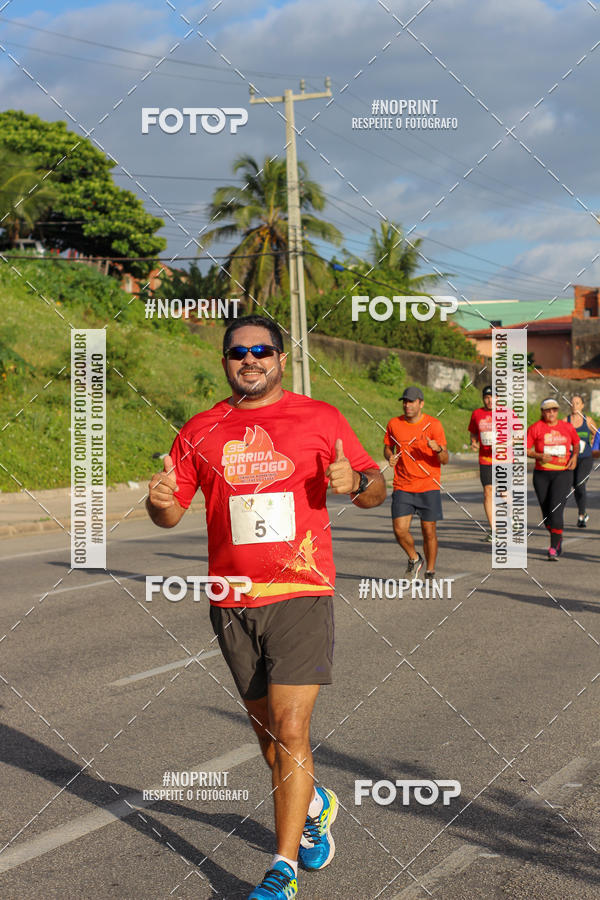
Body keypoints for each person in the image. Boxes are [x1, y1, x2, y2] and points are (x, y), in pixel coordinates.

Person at [146, 314, 386, 900]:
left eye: (261, 350)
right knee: (268, 738)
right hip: (231, 600)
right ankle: (315, 802)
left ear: (281, 357)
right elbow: (171, 512)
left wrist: (352, 479)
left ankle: (281, 871)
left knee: (290, 728)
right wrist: (156, 502)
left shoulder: (319, 418)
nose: (248, 359)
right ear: (224, 362)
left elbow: (378, 488)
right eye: (237, 352)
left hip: (301, 593)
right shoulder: (201, 429)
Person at [383, 385, 448, 580]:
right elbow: (387, 447)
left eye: (411, 401)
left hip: (428, 485)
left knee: (429, 531)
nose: (407, 405)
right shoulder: (394, 424)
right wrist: (389, 456)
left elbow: (445, 459)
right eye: (405, 401)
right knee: (399, 530)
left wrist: (437, 449)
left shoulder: (434, 425)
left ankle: (430, 570)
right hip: (403, 485)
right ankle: (414, 558)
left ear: (421, 403)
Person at [527, 398, 579, 560]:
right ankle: (558, 536)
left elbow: (576, 443)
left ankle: (553, 547)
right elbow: (526, 449)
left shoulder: (567, 427)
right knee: (547, 516)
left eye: (554, 410)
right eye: (548, 410)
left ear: (558, 411)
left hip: (563, 474)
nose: (551, 413)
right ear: (542, 412)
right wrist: (540, 455)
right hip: (542, 474)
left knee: (556, 511)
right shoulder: (536, 428)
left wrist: (575, 456)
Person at [467, 385, 495, 541]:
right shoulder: (477, 414)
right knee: (488, 492)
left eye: (492, 397)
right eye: (486, 397)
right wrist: (473, 442)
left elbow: (518, 434)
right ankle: (494, 529)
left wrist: (507, 443)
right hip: (485, 459)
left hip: (505, 459)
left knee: (505, 494)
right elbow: (473, 432)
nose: (489, 400)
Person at [566, 393, 597, 527]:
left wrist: (592, 442)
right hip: (571, 458)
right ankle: (583, 513)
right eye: (572, 403)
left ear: (582, 405)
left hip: (586, 458)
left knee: (580, 483)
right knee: (575, 486)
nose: (574, 405)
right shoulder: (565, 420)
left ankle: (581, 516)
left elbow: (597, 433)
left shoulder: (587, 420)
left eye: (577, 403)